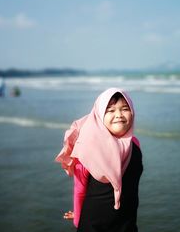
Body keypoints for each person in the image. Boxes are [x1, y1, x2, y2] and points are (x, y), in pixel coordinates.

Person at [55, 88, 143, 231]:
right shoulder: (87, 151)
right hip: (93, 226)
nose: (119, 115)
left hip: (127, 225)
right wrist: (78, 218)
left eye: (124, 109)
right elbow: (80, 190)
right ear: (99, 115)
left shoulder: (135, 145)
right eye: (111, 110)